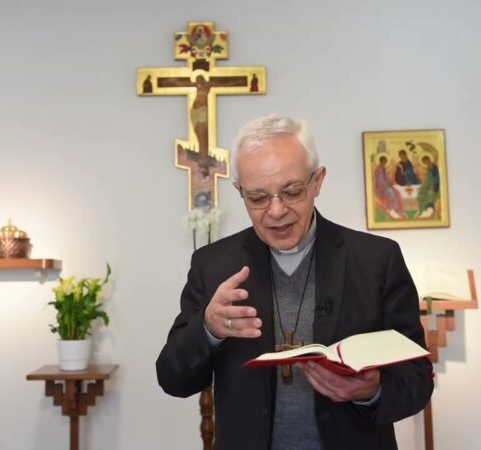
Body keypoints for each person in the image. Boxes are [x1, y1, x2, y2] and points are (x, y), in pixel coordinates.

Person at [156, 115, 433, 450]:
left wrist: (372, 391)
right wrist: (208, 329)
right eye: (258, 198)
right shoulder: (213, 265)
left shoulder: (376, 260)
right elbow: (172, 378)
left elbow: (418, 380)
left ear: (317, 181)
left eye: (291, 191)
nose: (276, 211)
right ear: (239, 192)